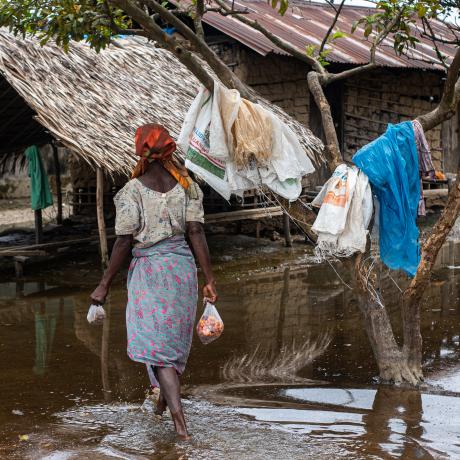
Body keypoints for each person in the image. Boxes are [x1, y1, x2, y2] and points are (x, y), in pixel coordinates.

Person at [90, 124, 218, 439]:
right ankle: (161, 406)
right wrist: (209, 279)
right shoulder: (187, 187)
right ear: (170, 150)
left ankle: (181, 427)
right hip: (182, 272)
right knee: (170, 349)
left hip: (149, 274)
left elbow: (122, 243)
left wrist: (104, 285)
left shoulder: (132, 191)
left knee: (160, 352)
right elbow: (196, 232)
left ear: (141, 151)